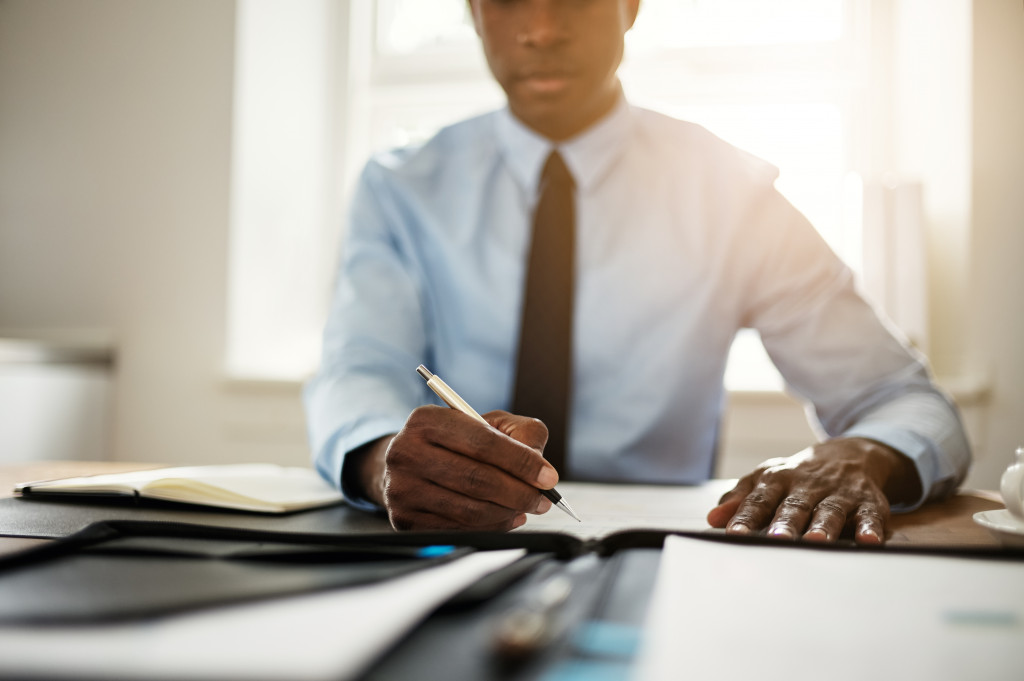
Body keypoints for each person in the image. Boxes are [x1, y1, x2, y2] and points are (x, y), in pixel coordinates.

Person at [304, 0, 970, 542]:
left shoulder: (732, 193)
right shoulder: (399, 188)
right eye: (506, 1)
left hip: (664, 556)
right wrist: (382, 462)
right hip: (441, 546)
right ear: (473, 11)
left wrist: (864, 454)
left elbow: (907, 402)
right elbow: (357, 374)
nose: (540, 30)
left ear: (632, 6)